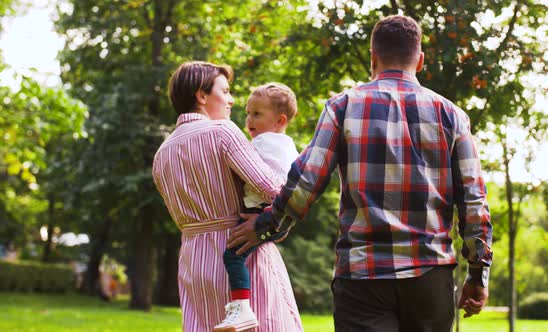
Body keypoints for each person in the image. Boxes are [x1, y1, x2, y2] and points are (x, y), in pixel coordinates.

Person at [228, 15, 493, 332]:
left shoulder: (343, 106)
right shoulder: (452, 115)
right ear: (420, 60)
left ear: (373, 57)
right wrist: (478, 273)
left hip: (362, 276)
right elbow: (474, 202)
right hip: (429, 278)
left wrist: (267, 225)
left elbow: (307, 181)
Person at [152, 61, 303, 332]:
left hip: (192, 262)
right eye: (225, 91)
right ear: (201, 95)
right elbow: (274, 189)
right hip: (240, 250)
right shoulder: (222, 131)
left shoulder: (162, 153)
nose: (231, 100)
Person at [215, 83, 299, 331]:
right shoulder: (287, 144)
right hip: (278, 217)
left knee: (233, 255)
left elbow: (250, 171)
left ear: (280, 120)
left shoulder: (263, 143)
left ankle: (241, 307)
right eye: (248, 112)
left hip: (261, 214)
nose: (249, 119)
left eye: (257, 114)